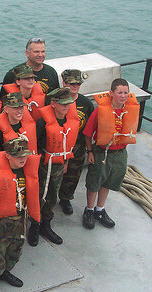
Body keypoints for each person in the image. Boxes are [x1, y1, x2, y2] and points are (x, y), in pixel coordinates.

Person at [82, 78, 139, 229]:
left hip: (119, 152)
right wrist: (89, 152)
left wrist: (124, 151)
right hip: (101, 152)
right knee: (94, 182)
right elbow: (88, 133)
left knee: (108, 181)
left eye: (126, 92)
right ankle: (89, 209)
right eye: (120, 92)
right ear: (111, 93)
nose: (123, 95)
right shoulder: (100, 111)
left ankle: (100, 209)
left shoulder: (129, 110)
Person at [0, 137, 40, 292]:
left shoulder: (28, 172)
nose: (22, 159)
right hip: (1, 220)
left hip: (20, 217)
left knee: (16, 249)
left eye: (24, 155)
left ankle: (6, 271)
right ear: (8, 156)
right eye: (18, 156)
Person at [28, 88, 79, 246]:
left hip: (59, 164)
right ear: (53, 104)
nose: (66, 107)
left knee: (52, 195)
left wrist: (66, 163)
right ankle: (34, 225)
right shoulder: (43, 122)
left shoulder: (69, 121)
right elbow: (35, 145)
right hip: (44, 163)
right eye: (63, 104)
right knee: (39, 195)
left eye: (68, 104)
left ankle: (46, 225)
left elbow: (69, 146)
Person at [58, 70, 95, 215]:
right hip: (58, 146)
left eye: (78, 83)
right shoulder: (55, 100)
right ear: (64, 83)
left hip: (78, 147)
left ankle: (65, 199)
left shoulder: (86, 103)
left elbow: (90, 128)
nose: (75, 86)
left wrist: (89, 150)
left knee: (73, 176)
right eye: (72, 83)